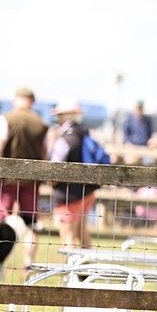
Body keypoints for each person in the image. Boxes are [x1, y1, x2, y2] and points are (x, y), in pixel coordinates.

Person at [0, 87, 48, 267]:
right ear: (32, 101)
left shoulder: (6, 119)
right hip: (32, 180)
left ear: (15, 100)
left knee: (0, 223)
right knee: (31, 224)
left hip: (7, 179)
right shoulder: (42, 123)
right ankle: (29, 265)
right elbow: (45, 154)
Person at [48, 99, 101, 249]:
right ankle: (87, 263)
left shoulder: (65, 139)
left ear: (63, 116)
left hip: (69, 194)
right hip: (87, 190)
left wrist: (52, 182)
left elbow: (54, 168)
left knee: (67, 233)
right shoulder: (84, 134)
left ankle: (71, 263)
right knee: (82, 231)